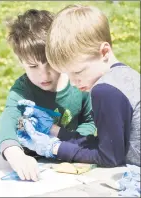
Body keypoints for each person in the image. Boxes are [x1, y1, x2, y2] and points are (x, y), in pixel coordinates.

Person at [19, 4, 140, 167]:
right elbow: (105, 144)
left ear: (104, 52)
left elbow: (109, 158)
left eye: (77, 72)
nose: (74, 82)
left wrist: (54, 149)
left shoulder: (104, 90)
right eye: (67, 74)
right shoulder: (126, 75)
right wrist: (54, 131)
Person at [0, 9, 96, 182]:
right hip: (35, 167)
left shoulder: (78, 83)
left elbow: (89, 121)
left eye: (50, 63)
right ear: (21, 62)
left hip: (69, 163)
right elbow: (6, 123)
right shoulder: (22, 90)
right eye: (33, 67)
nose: (44, 75)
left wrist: (71, 144)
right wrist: (16, 155)